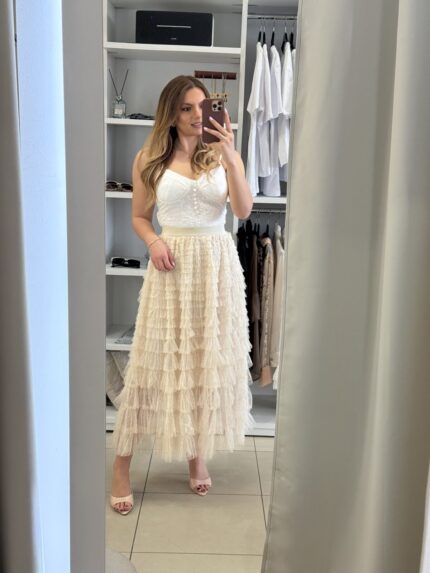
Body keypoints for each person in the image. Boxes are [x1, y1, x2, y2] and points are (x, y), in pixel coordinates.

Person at [110, 75, 255, 515]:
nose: (195, 116)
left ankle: (196, 455)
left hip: (216, 268)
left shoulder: (222, 156)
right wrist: (153, 242)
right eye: (186, 108)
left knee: (201, 364)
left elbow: (243, 210)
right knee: (150, 366)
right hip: (171, 266)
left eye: (201, 107)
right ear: (171, 113)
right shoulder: (149, 158)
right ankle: (121, 466)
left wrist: (231, 157)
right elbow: (139, 217)